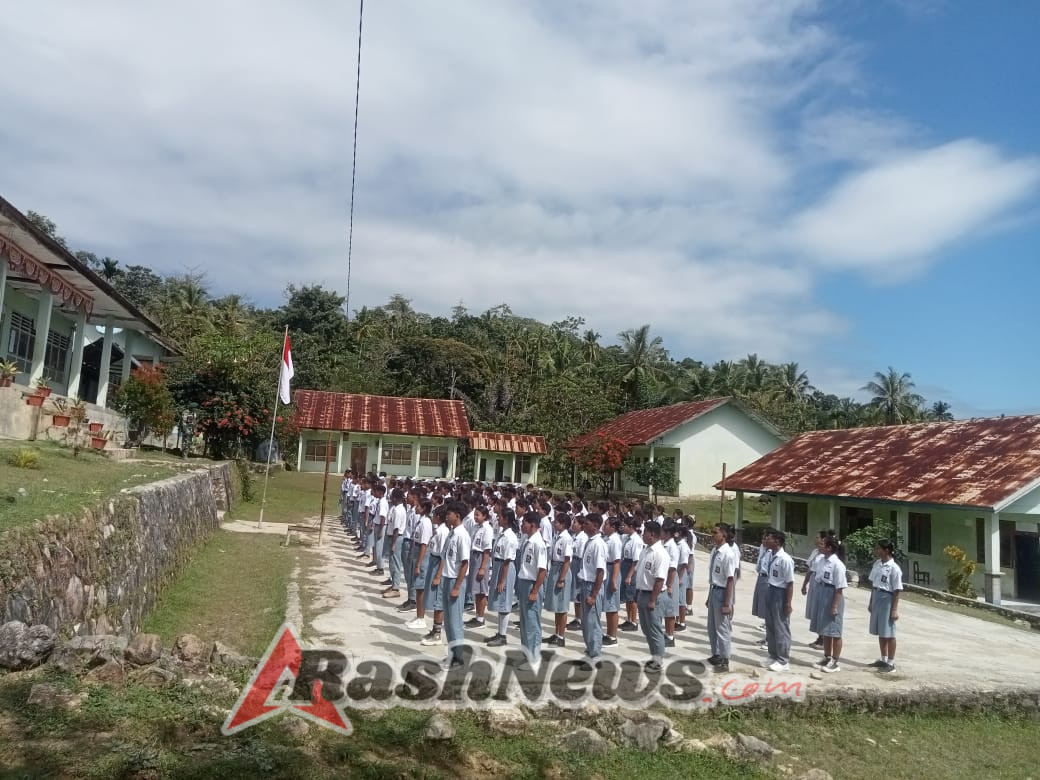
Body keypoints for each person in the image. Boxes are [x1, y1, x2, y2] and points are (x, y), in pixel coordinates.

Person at [437, 501, 472, 670]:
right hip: (447, 578)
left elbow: (464, 564)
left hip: (455, 580)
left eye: (449, 513)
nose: (446, 516)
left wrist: (457, 587)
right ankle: (452, 654)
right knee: (448, 621)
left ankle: (458, 658)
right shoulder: (452, 533)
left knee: (455, 621)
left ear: (457, 516)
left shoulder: (462, 535)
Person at [514, 511, 548, 667]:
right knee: (525, 622)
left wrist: (535, 591)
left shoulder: (538, 543)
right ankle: (527, 654)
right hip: (524, 582)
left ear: (532, 525)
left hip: (532, 584)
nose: (522, 526)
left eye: (524, 523)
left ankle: (534, 657)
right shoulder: (528, 540)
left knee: (532, 621)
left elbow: (542, 570)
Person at [705, 522, 739, 673]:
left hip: (723, 592)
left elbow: (730, 579)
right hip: (714, 590)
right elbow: (713, 577)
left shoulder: (728, 554)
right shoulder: (715, 551)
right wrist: (709, 595)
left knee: (722, 627)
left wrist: (727, 603)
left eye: (715, 532)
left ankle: (725, 660)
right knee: (712, 626)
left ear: (723, 535)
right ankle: (716, 654)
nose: (713, 535)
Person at [635, 520, 669, 673]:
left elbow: (660, 579)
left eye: (645, 533)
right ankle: (654, 655)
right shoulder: (646, 550)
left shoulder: (660, 553)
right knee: (646, 628)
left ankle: (659, 659)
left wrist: (652, 600)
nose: (643, 535)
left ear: (652, 534)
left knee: (655, 629)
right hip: (643, 593)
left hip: (653, 595)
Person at [813, 535, 848, 674]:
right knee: (825, 630)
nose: (819, 546)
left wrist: (834, 606)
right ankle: (827, 657)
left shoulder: (837, 565)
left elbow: (839, 587)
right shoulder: (822, 560)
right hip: (822, 593)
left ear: (829, 548)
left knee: (835, 631)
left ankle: (835, 661)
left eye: (822, 544)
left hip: (833, 595)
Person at [761, 529, 794, 672]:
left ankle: (783, 659)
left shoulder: (785, 559)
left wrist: (787, 603)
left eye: (769, 538)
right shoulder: (770, 555)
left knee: (781, 627)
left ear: (777, 541)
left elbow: (790, 583)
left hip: (780, 593)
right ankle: (773, 655)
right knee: (770, 625)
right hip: (770, 589)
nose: (766, 540)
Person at [485, 508, 519, 647]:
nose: (498, 519)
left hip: (505, 568)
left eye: (500, 517)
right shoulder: (502, 534)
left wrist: (502, 581)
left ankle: (503, 635)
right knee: (499, 601)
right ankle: (499, 632)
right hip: (499, 566)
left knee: (504, 601)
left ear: (506, 519)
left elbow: (507, 560)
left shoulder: (510, 537)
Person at [868, 538, 902, 673]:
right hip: (877, 596)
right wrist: (871, 601)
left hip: (887, 598)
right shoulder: (877, 564)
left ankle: (891, 663)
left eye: (879, 549)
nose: (877, 551)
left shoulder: (894, 568)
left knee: (889, 632)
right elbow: (873, 584)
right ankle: (883, 659)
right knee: (881, 631)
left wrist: (894, 609)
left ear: (886, 550)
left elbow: (897, 590)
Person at [578, 513, 608, 669]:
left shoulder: (598, 544)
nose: (584, 525)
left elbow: (600, 572)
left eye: (587, 523)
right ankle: (590, 651)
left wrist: (594, 595)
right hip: (585, 584)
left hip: (592, 586)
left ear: (595, 526)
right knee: (586, 623)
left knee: (592, 623)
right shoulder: (589, 542)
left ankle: (595, 656)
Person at [419, 507, 450, 642]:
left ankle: (437, 632)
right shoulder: (438, 530)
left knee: (438, 600)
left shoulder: (443, 532)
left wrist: (438, 575)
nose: (432, 517)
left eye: (434, 515)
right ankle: (434, 629)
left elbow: (444, 556)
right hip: (433, 561)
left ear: (438, 516)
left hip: (438, 563)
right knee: (433, 598)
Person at [465, 506, 495, 630]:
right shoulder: (476, 527)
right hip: (474, 556)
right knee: (476, 590)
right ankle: (477, 616)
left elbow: (487, 550)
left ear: (484, 516)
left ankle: (481, 618)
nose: (475, 517)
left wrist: (483, 567)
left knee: (482, 590)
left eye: (478, 515)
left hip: (481, 558)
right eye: (475, 514)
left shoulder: (487, 529)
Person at [546, 513, 573, 648]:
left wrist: (562, 578)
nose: (554, 524)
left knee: (562, 606)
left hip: (562, 569)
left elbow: (567, 560)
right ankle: (556, 633)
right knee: (557, 605)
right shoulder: (558, 536)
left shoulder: (566, 538)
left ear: (562, 524)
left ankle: (561, 636)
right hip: (555, 568)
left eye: (556, 522)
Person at [406, 499, 434, 628]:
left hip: (422, 554)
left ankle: (421, 618)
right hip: (416, 551)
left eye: (418, 506)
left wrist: (418, 564)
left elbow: (424, 544)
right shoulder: (420, 520)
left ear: (423, 509)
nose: (415, 508)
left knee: (420, 588)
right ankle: (418, 615)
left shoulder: (426, 523)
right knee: (417, 587)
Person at [801, 531, 831, 649]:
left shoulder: (826, 556)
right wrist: (805, 584)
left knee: (821, 610)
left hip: (821, 583)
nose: (816, 539)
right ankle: (820, 636)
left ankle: (824, 638)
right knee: (814, 609)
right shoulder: (815, 552)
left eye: (818, 537)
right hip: (814, 580)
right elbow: (810, 569)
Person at [620, 515, 644, 632]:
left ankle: (633, 621)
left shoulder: (636, 541)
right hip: (625, 565)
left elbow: (636, 560)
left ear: (631, 527)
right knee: (627, 596)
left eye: (625, 525)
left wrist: (629, 575)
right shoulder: (627, 538)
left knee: (632, 596)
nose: (623, 527)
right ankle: (629, 619)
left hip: (632, 568)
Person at [602, 518, 623, 646]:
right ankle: (609, 633)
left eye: (606, 525)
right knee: (608, 606)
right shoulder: (607, 538)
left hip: (611, 570)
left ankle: (613, 636)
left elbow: (616, 561)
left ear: (613, 527)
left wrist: (614, 580)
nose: (604, 526)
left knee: (612, 606)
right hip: (607, 568)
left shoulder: (615, 541)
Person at [383, 488, 407, 599]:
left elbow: (396, 529)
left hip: (396, 538)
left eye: (392, 497)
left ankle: (396, 588)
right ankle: (393, 585)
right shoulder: (395, 508)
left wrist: (393, 543)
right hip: (392, 536)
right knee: (392, 563)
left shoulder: (399, 510)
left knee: (395, 563)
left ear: (395, 498)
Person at [752, 530, 774, 641]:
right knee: (761, 605)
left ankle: (769, 638)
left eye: (766, 538)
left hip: (767, 579)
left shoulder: (772, 553)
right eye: (763, 538)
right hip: (761, 576)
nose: (763, 540)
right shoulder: (763, 548)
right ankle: (766, 636)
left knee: (767, 607)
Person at [567, 516, 588, 631]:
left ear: (581, 525)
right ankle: (577, 617)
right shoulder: (575, 536)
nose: (573, 524)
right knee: (575, 593)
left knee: (578, 592)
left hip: (578, 564)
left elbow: (581, 557)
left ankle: (580, 619)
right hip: (573, 563)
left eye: (575, 522)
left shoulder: (582, 538)